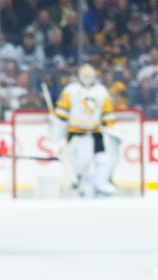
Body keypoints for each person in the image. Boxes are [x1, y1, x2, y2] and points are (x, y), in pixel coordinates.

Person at [52, 64, 117, 196]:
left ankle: (100, 183)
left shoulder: (101, 91)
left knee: (102, 158)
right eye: (85, 76)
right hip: (76, 131)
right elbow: (61, 113)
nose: (87, 78)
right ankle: (76, 183)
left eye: (90, 76)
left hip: (95, 131)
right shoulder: (71, 90)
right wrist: (57, 130)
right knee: (78, 160)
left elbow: (107, 113)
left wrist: (110, 128)